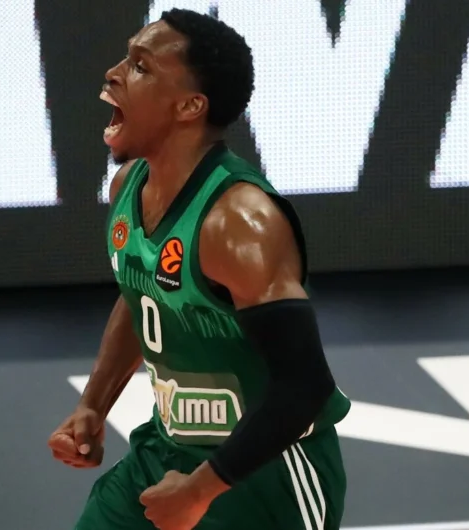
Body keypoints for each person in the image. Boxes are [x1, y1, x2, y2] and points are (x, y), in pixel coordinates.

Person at [47, 8, 352, 530]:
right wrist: (93, 405)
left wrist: (199, 492)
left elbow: (304, 387)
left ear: (190, 106)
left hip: (266, 475)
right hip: (166, 451)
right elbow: (143, 294)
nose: (114, 73)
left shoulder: (238, 222)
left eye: (140, 66)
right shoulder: (127, 186)